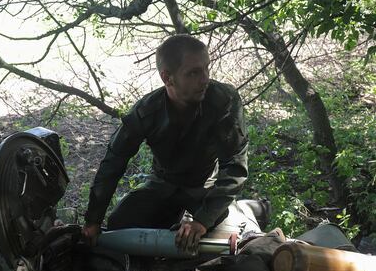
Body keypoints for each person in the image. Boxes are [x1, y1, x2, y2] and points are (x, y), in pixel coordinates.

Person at [82, 35, 264, 251]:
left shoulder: (222, 100)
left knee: (224, 243)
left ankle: (251, 209)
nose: (205, 79)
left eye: (206, 68)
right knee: (119, 226)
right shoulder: (146, 112)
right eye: (194, 73)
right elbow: (113, 162)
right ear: (167, 78)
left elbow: (234, 167)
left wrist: (201, 221)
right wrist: (93, 220)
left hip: (203, 186)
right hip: (163, 184)